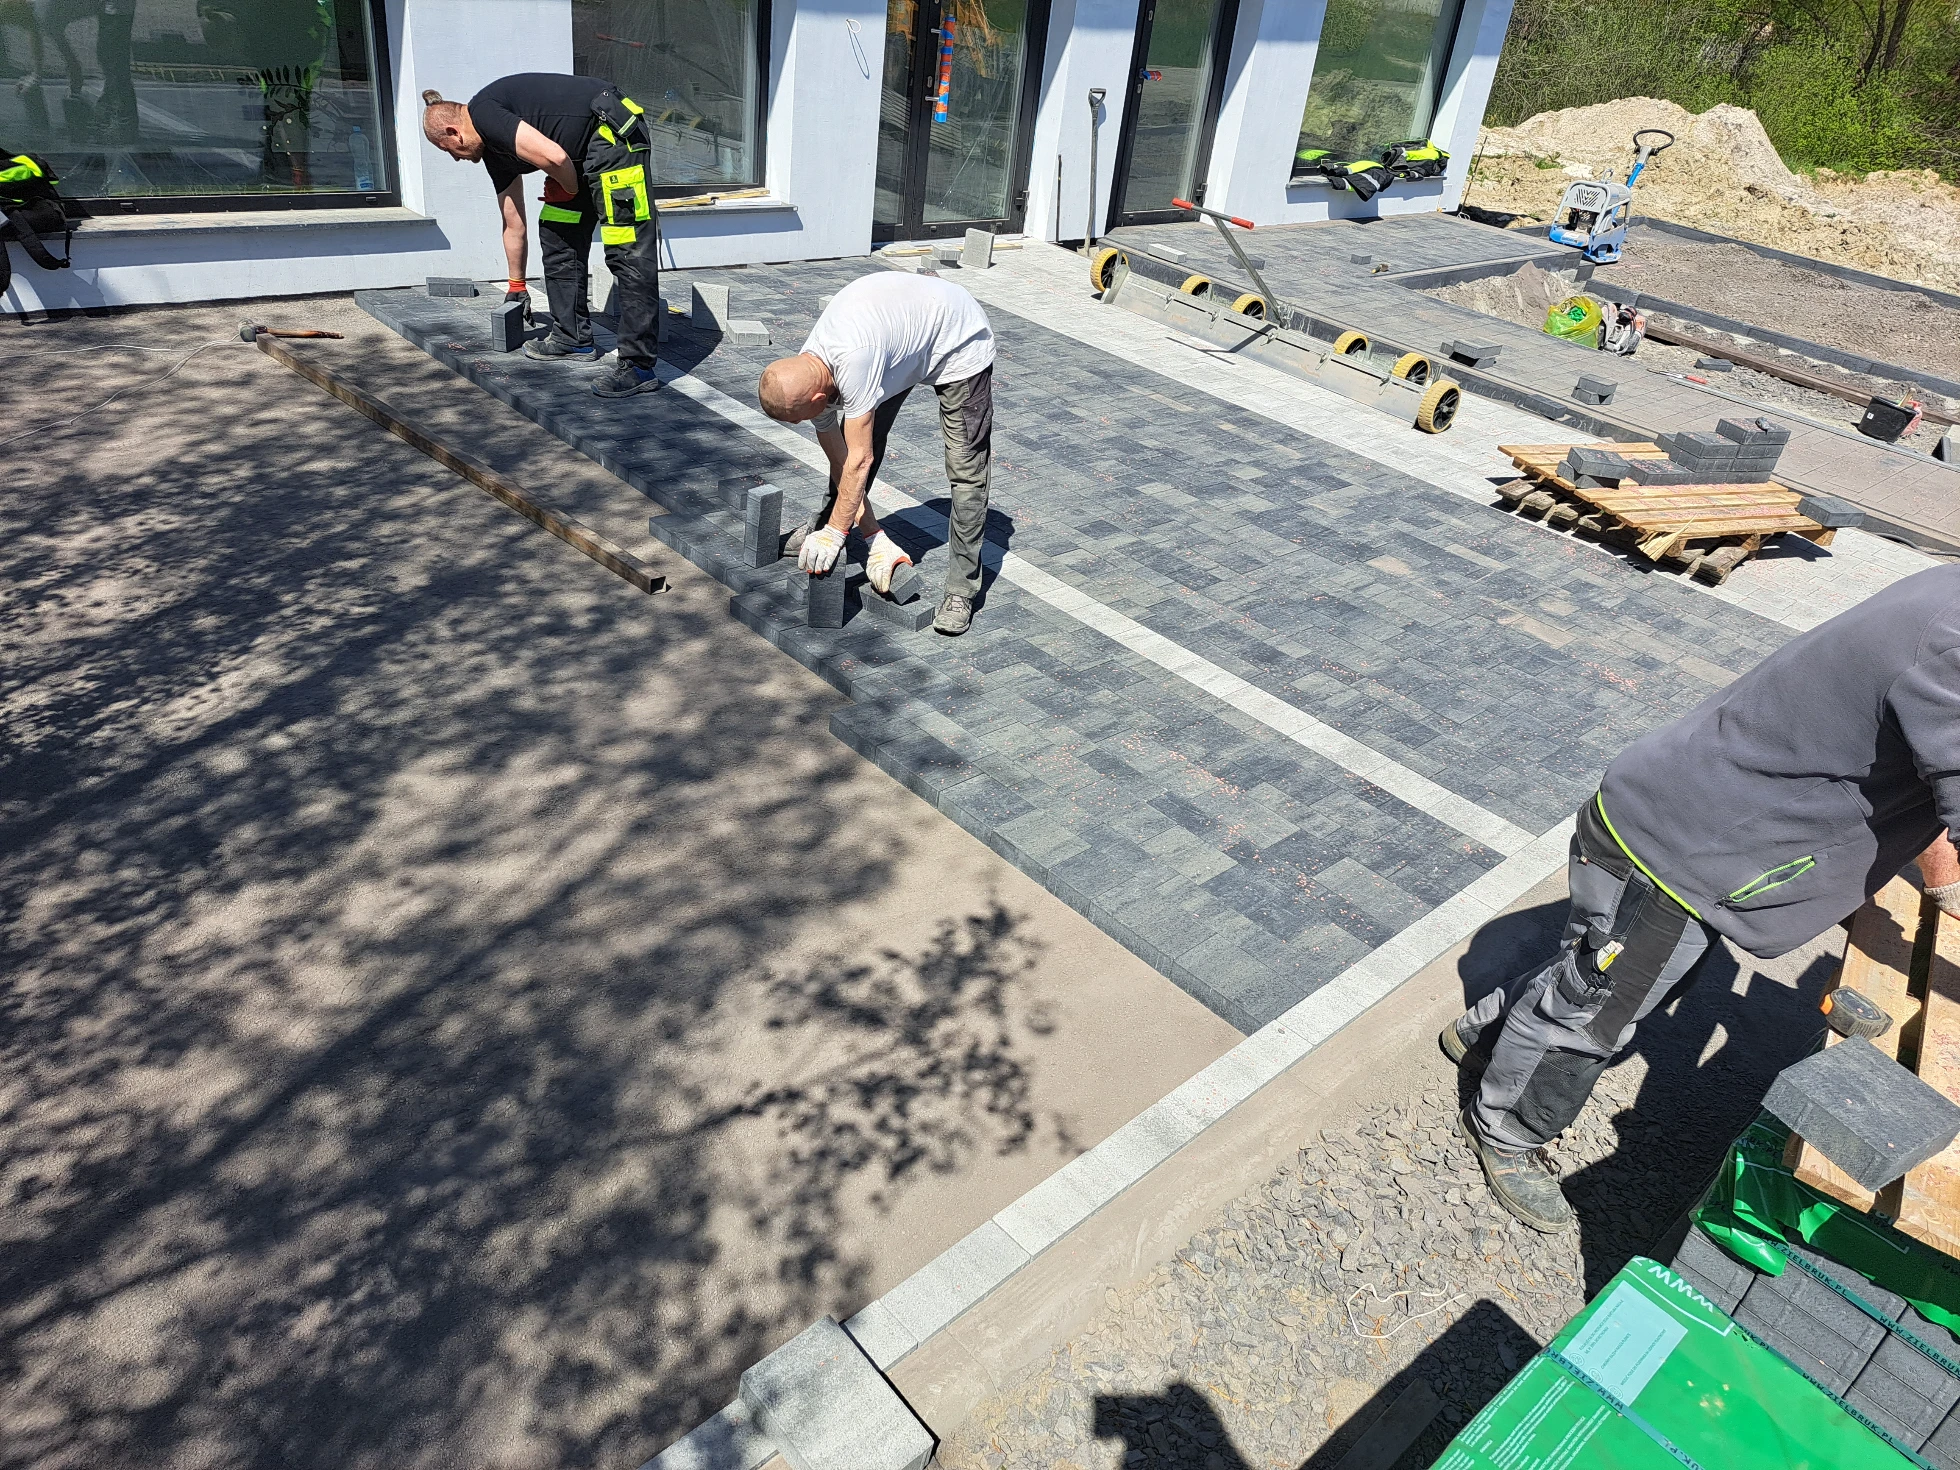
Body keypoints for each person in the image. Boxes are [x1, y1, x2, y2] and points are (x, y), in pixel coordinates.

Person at [1443, 564, 1960, 1233]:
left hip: (1698, 813)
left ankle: (1482, 1029)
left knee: (1602, 971)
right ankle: (1506, 1129)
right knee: (1598, 1009)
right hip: (1682, 846)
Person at [755, 272, 996, 636]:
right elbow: (841, 457)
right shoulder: (807, 371)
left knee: (966, 470)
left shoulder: (854, 362)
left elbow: (860, 459)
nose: (804, 422)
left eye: (801, 417)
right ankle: (825, 524)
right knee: (856, 442)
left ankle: (962, 590)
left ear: (817, 398)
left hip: (957, 339)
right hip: (902, 343)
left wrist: (839, 532)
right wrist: (873, 536)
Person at [421, 74, 661, 400]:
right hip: (579, 156)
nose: (455, 158)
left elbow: (555, 158)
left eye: (447, 150)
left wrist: (568, 187)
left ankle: (638, 366)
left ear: (453, 133)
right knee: (556, 232)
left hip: (612, 136)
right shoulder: (495, 152)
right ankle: (572, 338)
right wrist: (516, 286)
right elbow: (513, 222)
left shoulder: (485, 113)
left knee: (627, 250)